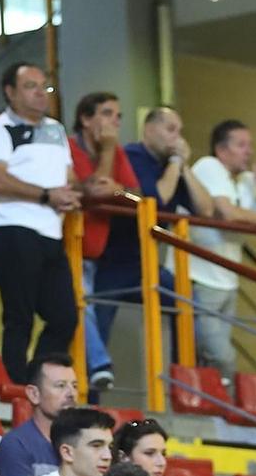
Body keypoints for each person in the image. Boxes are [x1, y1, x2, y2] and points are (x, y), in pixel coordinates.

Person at [89, 106, 218, 357]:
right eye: (170, 130)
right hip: (111, 261)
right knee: (97, 323)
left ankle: (183, 382)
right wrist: (175, 165)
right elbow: (155, 199)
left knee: (185, 298)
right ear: (149, 130)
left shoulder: (170, 166)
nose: (177, 139)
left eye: (180, 132)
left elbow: (206, 209)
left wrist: (184, 167)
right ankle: (87, 389)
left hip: (144, 262)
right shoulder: (131, 156)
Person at [0, 63, 78, 384]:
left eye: (45, 87)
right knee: (20, 314)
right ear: (10, 92)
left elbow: (69, 178)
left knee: (64, 316)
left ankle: (36, 380)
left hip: (50, 231)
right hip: (11, 226)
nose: (41, 93)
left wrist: (72, 193)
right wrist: (46, 195)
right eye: (31, 86)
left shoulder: (55, 130)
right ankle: (16, 385)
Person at [183, 118, 256, 378]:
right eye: (241, 145)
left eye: (249, 145)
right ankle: (224, 412)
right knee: (221, 356)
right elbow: (227, 213)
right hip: (200, 278)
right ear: (221, 150)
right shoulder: (209, 166)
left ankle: (215, 413)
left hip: (229, 280)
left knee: (211, 362)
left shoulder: (247, 181)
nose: (249, 151)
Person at [64, 93, 135, 390]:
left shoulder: (116, 152)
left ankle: (86, 377)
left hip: (96, 253)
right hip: (68, 246)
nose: (114, 123)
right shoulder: (67, 146)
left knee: (85, 310)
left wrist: (118, 189)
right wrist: (107, 152)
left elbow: (138, 196)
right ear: (85, 118)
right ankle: (98, 364)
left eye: (118, 117)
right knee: (82, 306)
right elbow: (95, 191)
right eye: (107, 114)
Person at [0, 354, 78, 476]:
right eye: (61, 385)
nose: (71, 394)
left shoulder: (82, 442)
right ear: (34, 394)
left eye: (75, 386)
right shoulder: (16, 444)